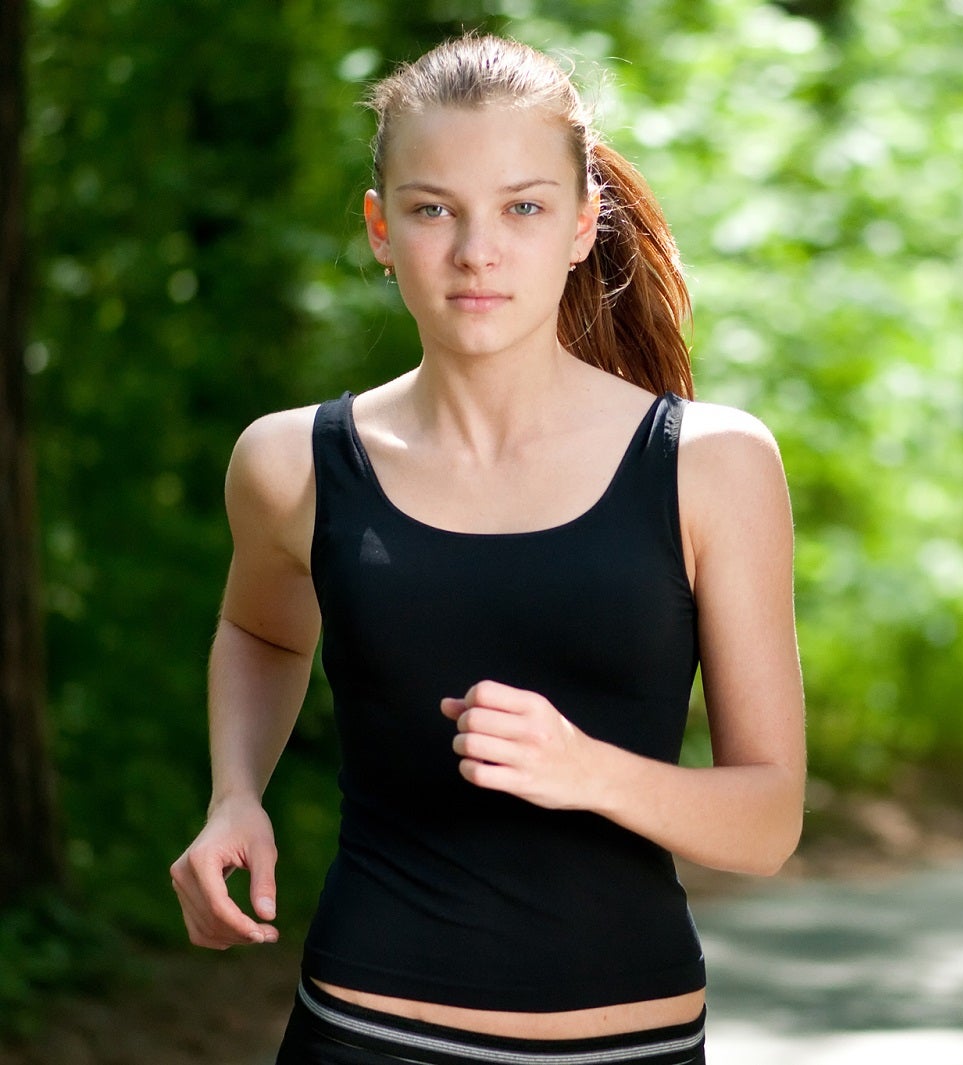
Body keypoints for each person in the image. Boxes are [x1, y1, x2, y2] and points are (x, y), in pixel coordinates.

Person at [168, 32, 806, 1065]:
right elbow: (260, 630)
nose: (476, 252)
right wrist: (234, 789)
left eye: (521, 207)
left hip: (626, 1043)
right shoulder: (290, 462)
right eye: (432, 210)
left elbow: (767, 821)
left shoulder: (710, 464)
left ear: (579, 225)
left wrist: (586, 769)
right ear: (380, 230)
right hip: (365, 1029)